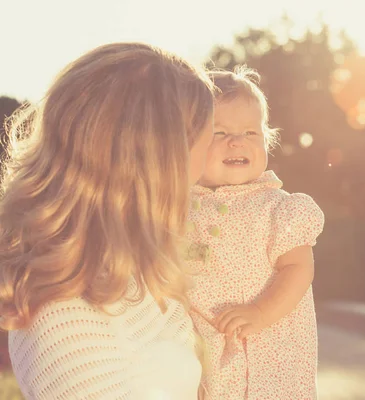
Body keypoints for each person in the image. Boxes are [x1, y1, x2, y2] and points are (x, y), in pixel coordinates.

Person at [0, 42, 215, 399]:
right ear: (160, 164)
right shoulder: (65, 316)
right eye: (203, 149)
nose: (202, 175)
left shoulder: (124, 275)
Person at [185, 66, 324, 399]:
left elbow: (298, 268)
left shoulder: (277, 208)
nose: (237, 142)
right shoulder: (179, 204)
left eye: (251, 133)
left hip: (271, 354)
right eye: (219, 133)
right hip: (208, 352)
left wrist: (261, 312)